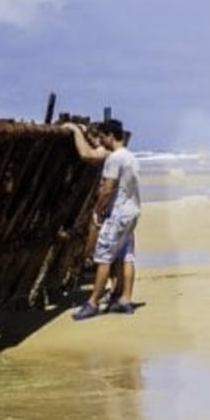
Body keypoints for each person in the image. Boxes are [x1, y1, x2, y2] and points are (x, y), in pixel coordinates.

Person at [65, 119, 141, 319]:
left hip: (117, 213)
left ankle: (92, 303)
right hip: (132, 211)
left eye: (102, 136)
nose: (100, 140)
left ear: (109, 135)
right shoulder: (131, 157)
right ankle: (125, 300)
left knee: (104, 256)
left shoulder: (115, 158)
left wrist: (98, 210)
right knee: (127, 256)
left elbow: (107, 188)